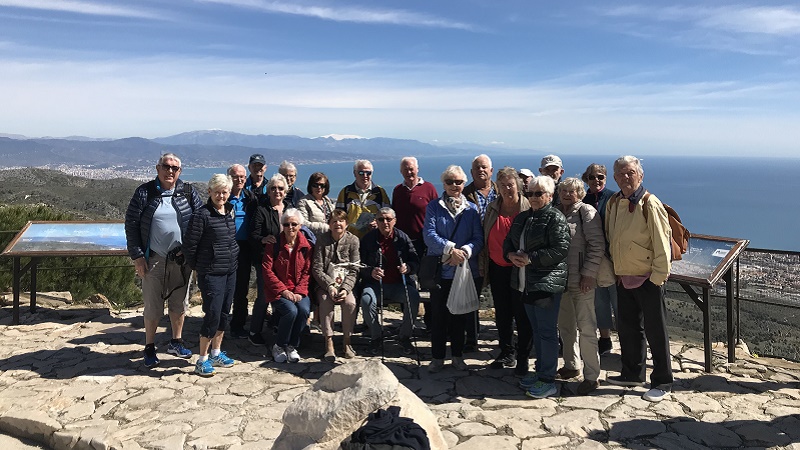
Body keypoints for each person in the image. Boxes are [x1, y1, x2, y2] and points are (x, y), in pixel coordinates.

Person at [605, 155, 674, 403]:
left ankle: (663, 381)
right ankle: (632, 374)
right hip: (624, 276)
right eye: (621, 173)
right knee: (628, 328)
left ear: (640, 175)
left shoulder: (649, 203)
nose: (626, 177)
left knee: (656, 331)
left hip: (648, 278)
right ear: (615, 177)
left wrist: (658, 278)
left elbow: (662, 242)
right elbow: (611, 236)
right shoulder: (614, 202)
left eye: (630, 172)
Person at [124, 152, 203, 367]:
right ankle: (149, 347)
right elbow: (131, 225)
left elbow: (199, 223)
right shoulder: (144, 192)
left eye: (174, 168)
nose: (170, 171)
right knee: (153, 306)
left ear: (180, 171)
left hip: (181, 259)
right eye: (166, 166)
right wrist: (137, 256)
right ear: (157, 168)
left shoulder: (188, 192)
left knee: (179, 303)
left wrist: (191, 253)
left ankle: (176, 341)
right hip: (153, 259)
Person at [504, 175, 570, 399]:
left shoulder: (555, 218)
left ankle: (548, 380)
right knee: (537, 331)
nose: (533, 197)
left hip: (546, 284)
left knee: (547, 332)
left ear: (550, 196)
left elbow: (560, 249)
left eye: (538, 193)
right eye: (530, 193)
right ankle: (541, 372)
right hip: (525, 283)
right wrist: (509, 254)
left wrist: (531, 258)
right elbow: (508, 241)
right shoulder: (523, 217)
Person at [423, 165, 483, 372]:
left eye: (458, 182)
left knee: (459, 316)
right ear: (444, 184)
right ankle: (437, 357)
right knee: (439, 316)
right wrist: (450, 250)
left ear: (464, 184)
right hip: (441, 271)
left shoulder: (471, 210)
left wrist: (464, 252)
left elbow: (478, 238)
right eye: (450, 182)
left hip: (463, 270)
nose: (454, 185)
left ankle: (457, 356)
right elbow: (429, 235)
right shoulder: (434, 207)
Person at [183, 174, 238, 377]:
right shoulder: (202, 215)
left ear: (229, 193)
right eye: (217, 192)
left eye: (224, 192)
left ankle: (216, 353)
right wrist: (198, 268)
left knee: (223, 313)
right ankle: (202, 359)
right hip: (211, 273)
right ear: (209, 192)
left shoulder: (230, 211)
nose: (221, 196)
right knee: (212, 314)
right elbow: (190, 246)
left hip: (230, 271)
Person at [555, 177, 605, 395]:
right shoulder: (556, 212)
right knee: (565, 326)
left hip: (582, 281)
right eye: (563, 190)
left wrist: (589, 274)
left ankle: (592, 376)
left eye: (572, 190)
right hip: (561, 281)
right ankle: (571, 365)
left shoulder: (587, 212)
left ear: (580, 193)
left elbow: (597, 246)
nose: (567, 194)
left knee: (587, 328)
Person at [481, 167, 532, 373]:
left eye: (510, 185)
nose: (506, 189)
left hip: (520, 269)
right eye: (502, 185)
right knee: (502, 313)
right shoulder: (493, 207)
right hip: (497, 267)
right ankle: (506, 352)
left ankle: (523, 357)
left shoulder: (527, 207)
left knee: (522, 314)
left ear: (518, 186)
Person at [360, 207, 421, 356]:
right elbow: (359, 265)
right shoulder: (368, 239)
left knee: (413, 297)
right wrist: (370, 271)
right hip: (374, 285)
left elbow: (415, 261)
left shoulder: (403, 238)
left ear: (395, 221)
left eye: (388, 219)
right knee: (366, 300)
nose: (385, 222)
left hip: (399, 284)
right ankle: (376, 336)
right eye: (381, 219)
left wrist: (408, 268)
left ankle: (404, 336)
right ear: (376, 221)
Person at [263, 208, 313, 363]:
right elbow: (267, 271)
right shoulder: (274, 245)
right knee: (290, 311)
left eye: (294, 224)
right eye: (286, 224)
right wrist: (283, 290)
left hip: (298, 290)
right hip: (277, 291)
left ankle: (292, 345)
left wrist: (299, 291)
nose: (290, 227)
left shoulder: (306, 247)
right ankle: (279, 345)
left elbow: (307, 272)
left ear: (300, 226)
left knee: (303, 310)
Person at [247, 173, 290, 346]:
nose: (277, 191)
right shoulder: (261, 210)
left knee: (283, 292)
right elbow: (253, 234)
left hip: (285, 260)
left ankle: (278, 325)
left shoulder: (290, 209)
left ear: (286, 191)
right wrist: (263, 239)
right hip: (265, 259)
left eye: (280, 188)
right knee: (264, 295)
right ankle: (254, 331)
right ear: (268, 191)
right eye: (273, 188)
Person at [312, 209, 360, 362]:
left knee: (350, 303)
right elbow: (317, 268)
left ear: (346, 224)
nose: (337, 224)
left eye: (341, 221)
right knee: (325, 301)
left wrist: (345, 288)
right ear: (329, 224)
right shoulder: (321, 240)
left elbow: (355, 268)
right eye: (334, 221)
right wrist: (330, 286)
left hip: (346, 284)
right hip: (325, 284)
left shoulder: (353, 240)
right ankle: (329, 342)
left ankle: (347, 341)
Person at [582, 163, 618, 355]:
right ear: (586, 179)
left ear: (605, 178)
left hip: (614, 259)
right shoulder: (582, 199)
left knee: (619, 301)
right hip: (592, 259)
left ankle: (627, 339)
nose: (596, 180)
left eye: (600, 177)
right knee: (600, 302)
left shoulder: (614, 198)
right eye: (592, 177)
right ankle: (605, 339)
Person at [461, 154, 496, 351]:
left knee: (503, 296)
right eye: (477, 168)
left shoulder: (500, 192)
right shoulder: (464, 194)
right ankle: (471, 338)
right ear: (471, 172)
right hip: (473, 251)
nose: (481, 170)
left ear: (491, 171)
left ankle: (505, 340)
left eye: (484, 167)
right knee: (471, 296)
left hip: (498, 250)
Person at [227, 164, 257, 339]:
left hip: (245, 248)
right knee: (224, 288)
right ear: (229, 178)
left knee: (241, 288)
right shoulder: (223, 196)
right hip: (226, 247)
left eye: (242, 177)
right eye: (235, 176)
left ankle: (238, 325)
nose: (239, 180)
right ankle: (217, 324)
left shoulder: (250, 198)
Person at [392, 156, 438, 257]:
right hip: (402, 241)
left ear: (417, 169)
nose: (409, 172)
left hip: (423, 241)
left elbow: (437, 214)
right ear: (401, 172)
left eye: (411, 169)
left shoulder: (429, 188)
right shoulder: (398, 190)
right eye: (405, 170)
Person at [336, 159, 391, 239]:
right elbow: (338, 217)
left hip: (374, 238)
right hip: (350, 238)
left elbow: (388, 216)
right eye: (361, 173)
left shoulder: (380, 192)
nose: (365, 176)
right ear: (355, 173)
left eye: (368, 173)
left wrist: (377, 222)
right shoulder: (346, 192)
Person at [297, 172, 335, 239]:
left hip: (329, 239)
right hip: (313, 240)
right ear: (310, 186)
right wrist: (325, 227)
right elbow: (303, 223)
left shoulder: (328, 202)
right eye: (315, 185)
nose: (319, 188)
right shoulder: (304, 202)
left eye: (322, 185)